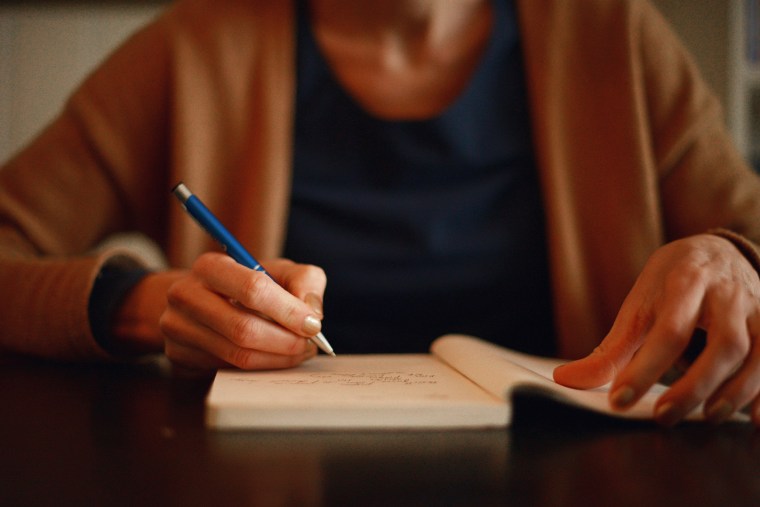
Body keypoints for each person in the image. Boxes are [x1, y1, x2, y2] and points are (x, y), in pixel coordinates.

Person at [1, 0, 759, 428]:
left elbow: (749, 240)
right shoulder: (191, 48)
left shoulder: (615, 39)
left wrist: (738, 258)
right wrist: (137, 304)